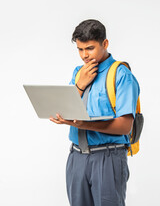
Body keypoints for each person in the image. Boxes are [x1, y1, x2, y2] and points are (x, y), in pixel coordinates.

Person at [50, 19, 140, 206]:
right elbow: (67, 108)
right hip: (76, 157)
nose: (84, 55)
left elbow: (125, 126)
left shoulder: (122, 75)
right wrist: (79, 85)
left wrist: (83, 124)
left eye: (90, 48)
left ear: (105, 44)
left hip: (108, 158)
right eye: (80, 49)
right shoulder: (79, 72)